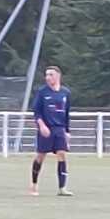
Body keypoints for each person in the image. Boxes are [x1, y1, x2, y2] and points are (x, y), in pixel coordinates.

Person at [29, 66, 73, 196]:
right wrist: (42, 126)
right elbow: (36, 112)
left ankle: (62, 188)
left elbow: (66, 113)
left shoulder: (65, 92)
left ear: (58, 76)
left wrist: (67, 131)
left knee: (62, 154)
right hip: (46, 129)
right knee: (41, 156)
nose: (48, 77)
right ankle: (34, 185)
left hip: (59, 129)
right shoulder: (42, 92)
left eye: (51, 75)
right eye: (46, 75)